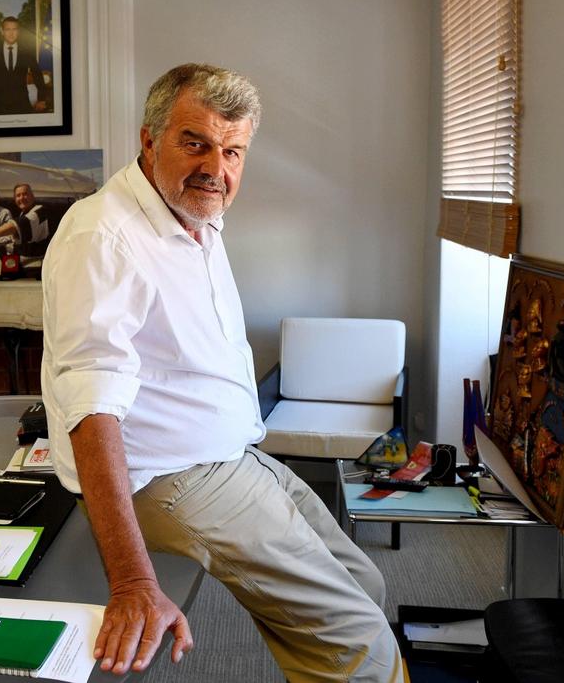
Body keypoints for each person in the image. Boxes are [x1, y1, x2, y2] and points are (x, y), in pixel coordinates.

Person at [39, 63, 404, 681]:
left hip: (231, 452)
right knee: (359, 644)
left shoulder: (197, 217)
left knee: (363, 580)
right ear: (148, 140)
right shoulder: (105, 236)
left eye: (233, 151)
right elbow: (89, 406)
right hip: (172, 475)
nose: (217, 168)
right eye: (196, 143)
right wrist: (131, 582)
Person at [0, 16, 49, 115]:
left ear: (19, 31)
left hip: (22, 106)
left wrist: (41, 100)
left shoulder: (27, 52)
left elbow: (38, 76)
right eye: (7, 29)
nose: (11, 33)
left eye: (14, 29)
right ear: (2, 31)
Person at [0, 183, 50, 265]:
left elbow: (14, 227)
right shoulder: (22, 214)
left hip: (35, 265)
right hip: (16, 262)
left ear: (32, 196)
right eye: (18, 195)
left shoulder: (40, 210)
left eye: (25, 194)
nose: (21, 198)